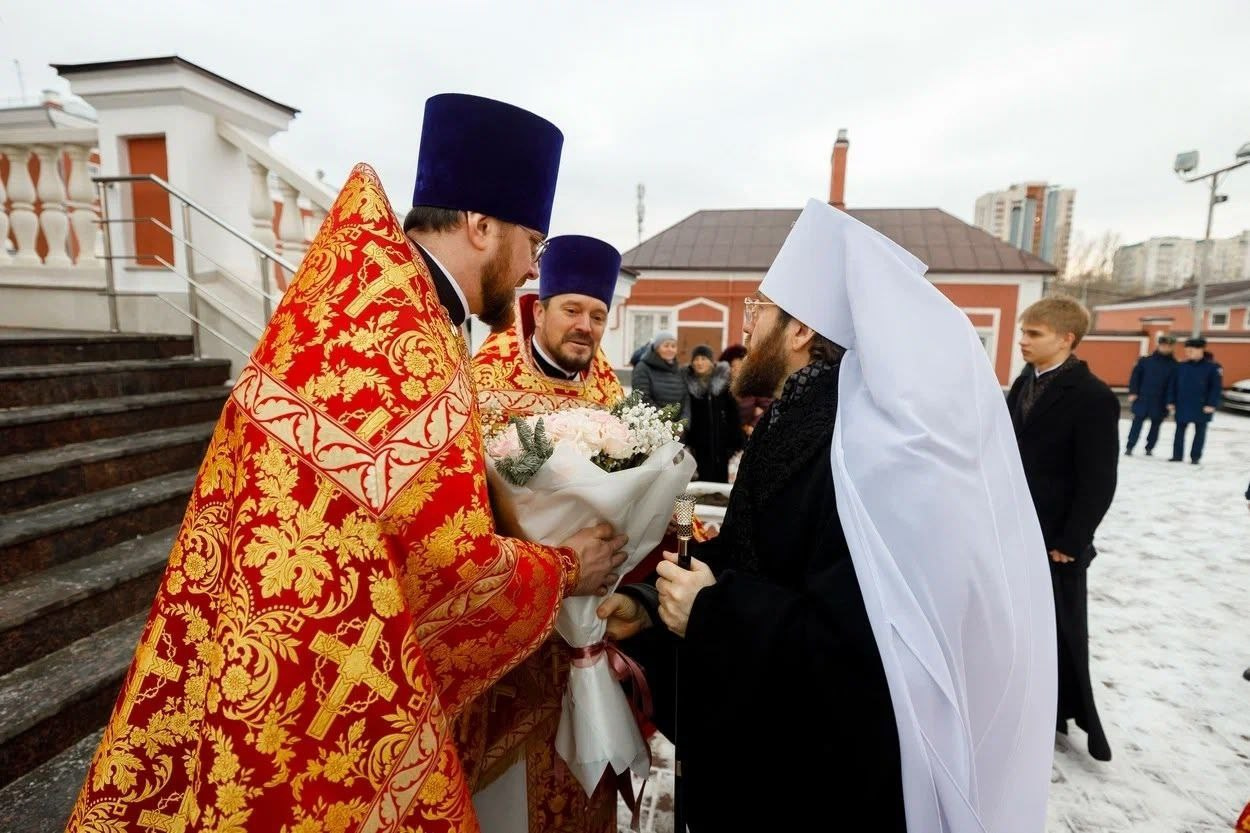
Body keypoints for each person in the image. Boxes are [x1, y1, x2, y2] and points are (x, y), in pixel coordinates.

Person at [65, 94, 628, 833]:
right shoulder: (411, 344)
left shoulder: (364, 300)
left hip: (259, 646)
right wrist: (564, 567)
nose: (533, 269)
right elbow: (447, 563)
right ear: (481, 225)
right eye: (532, 242)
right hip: (320, 676)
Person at [600, 200, 1056, 832]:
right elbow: (747, 560)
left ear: (800, 332)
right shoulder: (793, 422)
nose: (747, 323)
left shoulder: (869, 465)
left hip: (813, 785)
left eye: (760, 308)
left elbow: (864, 650)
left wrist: (713, 611)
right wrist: (653, 602)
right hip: (761, 754)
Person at [465, 234, 626, 832]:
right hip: (513, 637)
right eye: (573, 309)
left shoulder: (609, 391)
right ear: (540, 307)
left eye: (598, 314)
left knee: (585, 796)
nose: (585, 326)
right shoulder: (484, 384)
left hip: (587, 631)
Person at [1006, 295, 1119, 762]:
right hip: (1017, 530)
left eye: (1034, 333)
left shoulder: (1092, 396)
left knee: (1061, 629)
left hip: (1057, 541)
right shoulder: (1023, 383)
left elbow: (1099, 479)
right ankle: (1026, 703)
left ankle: (1064, 713)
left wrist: (1072, 541)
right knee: (1021, 625)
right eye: (1023, 331)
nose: (1022, 341)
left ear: (1066, 338)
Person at [681, 344, 743, 482]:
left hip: (722, 442)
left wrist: (736, 441)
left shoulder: (723, 383)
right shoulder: (687, 384)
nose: (699, 362)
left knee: (720, 483)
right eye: (696, 359)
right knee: (700, 482)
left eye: (703, 358)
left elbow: (734, 413)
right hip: (698, 443)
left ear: (711, 362)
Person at [1168, 337, 1223, 464]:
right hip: (1182, 403)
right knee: (1179, 431)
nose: (1188, 353)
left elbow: (1216, 388)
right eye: (1187, 350)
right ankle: (1177, 455)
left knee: (1200, 432)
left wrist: (1211, 404)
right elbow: (1173, 385)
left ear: (1201, 350)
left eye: (1191, 350)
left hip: (1202, 405)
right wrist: (1171, 401)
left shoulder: (1213, 367)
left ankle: (1195, 457)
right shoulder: (1181, 366)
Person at [1125, 334, 1177, 455]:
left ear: (1172, 347)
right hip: (1143, 397)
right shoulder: (1145, 361)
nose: (1165, 348)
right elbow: (1135, 377)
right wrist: (1133, 392)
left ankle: (1149, 448)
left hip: (1161, 401)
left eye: (1168, 346)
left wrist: (1171, 401)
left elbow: (1173, 385)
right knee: (1136, 423)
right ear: (1159, 345)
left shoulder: (1174, 365)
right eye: (1163, 345)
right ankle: (1130, 446)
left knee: (1156, 426)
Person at [629, 331, 687, 417]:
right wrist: (666, 420)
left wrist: (683, 423)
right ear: (656, 348)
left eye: (673, 346)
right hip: (653, 425)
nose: (670, 349)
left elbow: (685, 399)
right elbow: (642, 398)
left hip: (678, 427)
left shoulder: (678, 370)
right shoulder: (643, 368)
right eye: (666, 345)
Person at [719, 343, 771, 435]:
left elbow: (769, 409)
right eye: (732, 366)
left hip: (747, 438)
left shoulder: (755, 386)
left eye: (740, 365)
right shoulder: (720, 387)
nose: (736, 369)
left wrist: (751, 424)